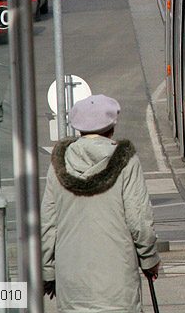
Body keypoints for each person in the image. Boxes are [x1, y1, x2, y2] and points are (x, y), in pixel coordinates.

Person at [41, 95, 161, 312]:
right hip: (118, 286)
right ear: (112, 127)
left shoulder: (58, 165)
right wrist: (149, 259)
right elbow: (139, 220)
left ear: (78, 128)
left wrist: (47, 271)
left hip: (72, 284)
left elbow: (48, 223)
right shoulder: (126, 161)